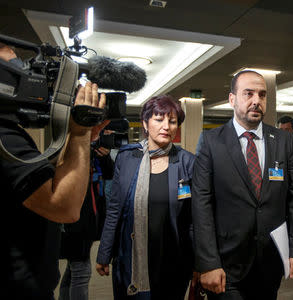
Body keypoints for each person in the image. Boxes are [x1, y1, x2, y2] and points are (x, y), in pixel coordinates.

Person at [0, 44, 108, 299]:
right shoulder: (5, 139)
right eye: (12, 68)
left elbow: (48, 182)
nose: (24, 74)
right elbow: (64, 207)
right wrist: (79, 131)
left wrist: (80, 138)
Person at [192, 70, 293, 300]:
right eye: (249, 94)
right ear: (232, 99)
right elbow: (201, 203)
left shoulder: (283, 141)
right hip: (226, 264)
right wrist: (208, 262)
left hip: (270, 262)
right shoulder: (212, 141)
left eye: (262, 95)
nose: (257, 101)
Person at [96, 95, 196, 299]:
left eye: (173, 121)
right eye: (159, 119)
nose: (166, 126)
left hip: (173, 259)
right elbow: (114, 209)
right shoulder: (127, 158)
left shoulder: (187, 162)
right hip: (130, 256)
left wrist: (200, 263)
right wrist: (104, 252)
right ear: (145, 123)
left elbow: (194, 219)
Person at [59, 146, 114, 300]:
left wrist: (103, 157)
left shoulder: (93, 153)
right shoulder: (72, 148)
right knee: (81, 272)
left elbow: (110, 173)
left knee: (73, 270)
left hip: (88, 221)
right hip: (74, 221)